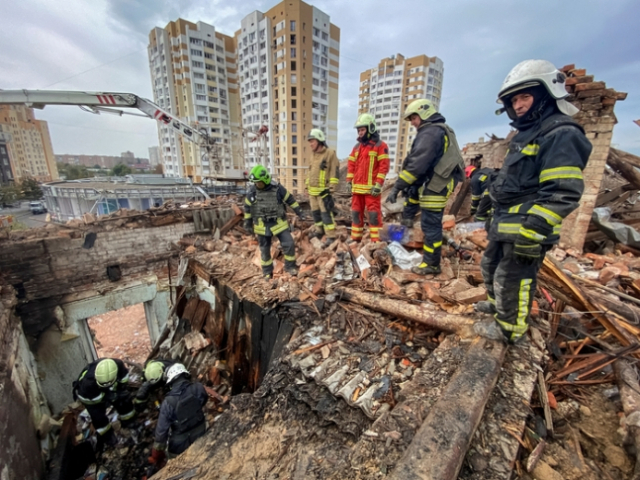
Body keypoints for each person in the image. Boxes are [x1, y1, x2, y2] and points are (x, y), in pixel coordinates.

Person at [477, 59, 592, 343]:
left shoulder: (560, 133)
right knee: (490, 268)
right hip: (506, 225)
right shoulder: (527, 135)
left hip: (527, 230)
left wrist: (534, 230)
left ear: (545, 94)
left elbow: (562, 191)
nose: (518, 105)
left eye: (525, 96)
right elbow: (515, 183)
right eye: (514, 99)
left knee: (514, 280)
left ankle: (511, 329)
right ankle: (498, 308)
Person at [386, 99, 465, 275]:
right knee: (412, 192)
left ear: (424, 114)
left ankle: (431, 264)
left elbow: (417, 164)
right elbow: (418, 163)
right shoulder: (434, 131)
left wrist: (397, 186)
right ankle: (406, 223)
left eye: (414, 118)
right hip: (433, 179)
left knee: (430, 224)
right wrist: (406, 186)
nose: (412, 123)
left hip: (438, 184)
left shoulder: (431, 132)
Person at [243, 164, 305, 278]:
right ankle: (267, 272)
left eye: (259, 182)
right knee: (265, 250)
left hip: (278, 223)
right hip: (261, 225)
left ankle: (290, 267)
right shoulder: (252, 192)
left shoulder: (277, 188)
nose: (257, 185)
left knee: (289, 243)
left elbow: (290, 200)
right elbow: (248, 208)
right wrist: (247, 223)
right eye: (255, 183)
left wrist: (299, 212)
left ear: (265, 179)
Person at [149, 363, 208, 464]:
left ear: (170, 381)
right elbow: (203, 401)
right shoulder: (198, 388)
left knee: (176, 463)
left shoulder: (167, 403)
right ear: (185, 375)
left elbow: (161, 433)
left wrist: (156, 455)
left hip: (180, 445)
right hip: (202, 434)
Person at [73, 358, 136, 448]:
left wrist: (121, 390)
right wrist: (109, 396)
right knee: (98, 417)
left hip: (108, 388)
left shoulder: (118, 365)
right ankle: (109, 438)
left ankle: (129, 423)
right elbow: (97, 401)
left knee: (124, 400)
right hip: (90, 398)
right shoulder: (88, 384)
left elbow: (124, 379)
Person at [346, 113, 390, 243]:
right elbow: (351, 165)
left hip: (372, 190)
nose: (360, 133)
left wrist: (378, 184)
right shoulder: (357, 147)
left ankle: (376, 240)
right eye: (359, 130)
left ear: (370, 128)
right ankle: (356, 238)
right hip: (357, 190)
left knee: (373, 215)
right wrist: (349, 181)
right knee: (355, 214)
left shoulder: (381, 146)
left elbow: (384, 167)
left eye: (362, 130)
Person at [306, 128, 340, 247]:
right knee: (316, 214)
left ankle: (331, 235)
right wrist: (307, 186)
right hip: (312, 192)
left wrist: (331, 189)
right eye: (309, 142)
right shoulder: (313, 154)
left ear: (319, 140)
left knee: (326, 214)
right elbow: (310, 171)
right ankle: (319, 231)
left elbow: (334, 172)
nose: (310, 144)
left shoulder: (330, 153)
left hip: (323, 192)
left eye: (312, 141)